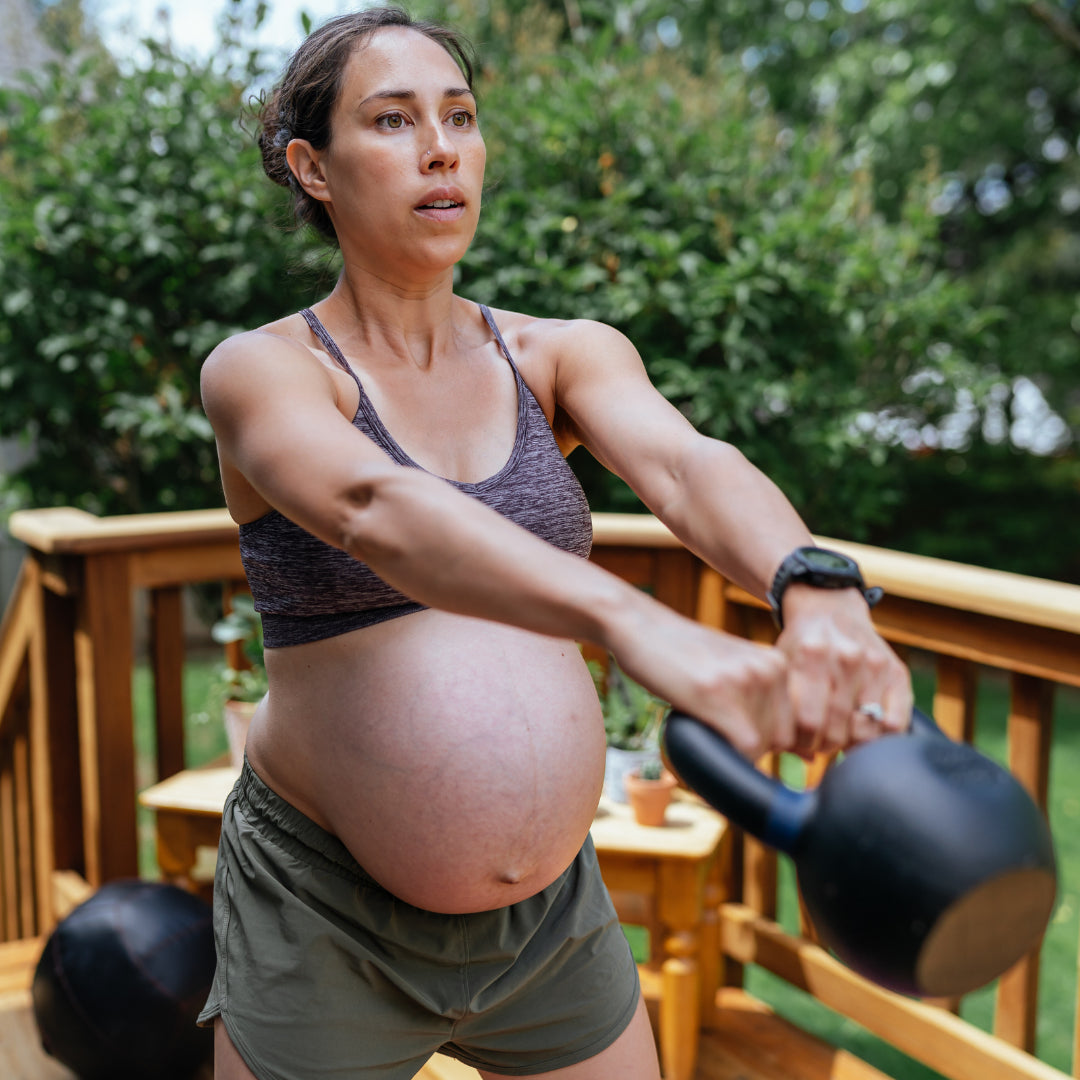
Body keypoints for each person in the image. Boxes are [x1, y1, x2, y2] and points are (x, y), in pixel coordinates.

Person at [196, 8, 912, 1079]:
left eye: (460, 116)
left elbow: (685, 465)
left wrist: (812, 583)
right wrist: (632, 622)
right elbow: (371, 507)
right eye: (391, 121)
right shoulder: (262, 371)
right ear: (314, 168)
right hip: (323, 912)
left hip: (550, 923)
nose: (440, 146)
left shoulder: (558, 355)